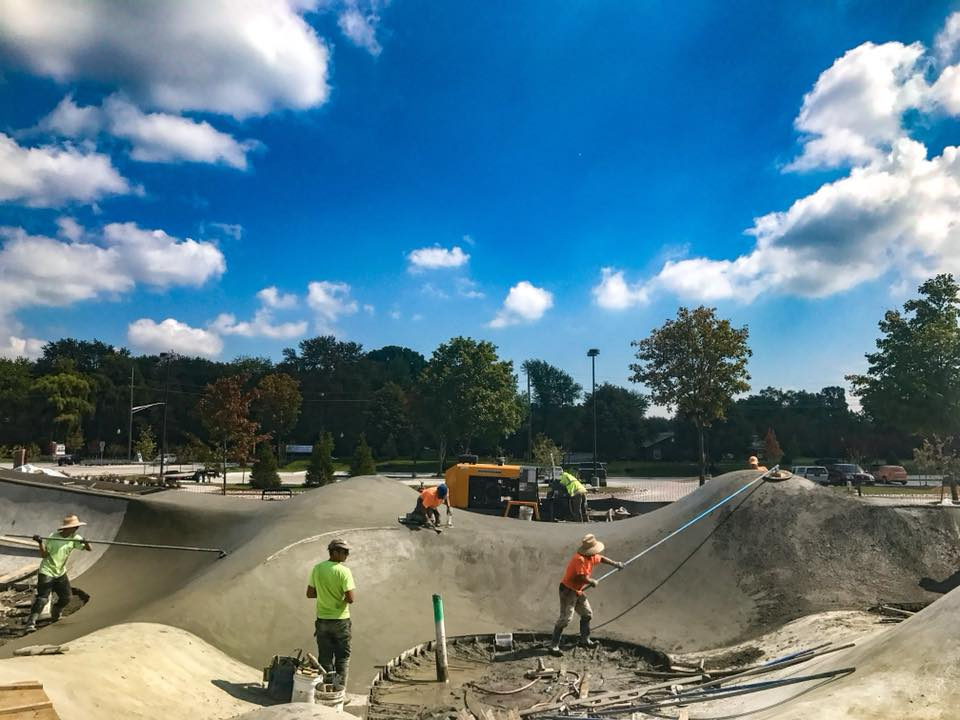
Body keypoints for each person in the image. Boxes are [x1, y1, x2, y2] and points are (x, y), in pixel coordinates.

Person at [549, 534, 623, 656]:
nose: (596, 554)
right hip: (568, 591)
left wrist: (615, 563)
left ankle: (585, 639)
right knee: (565, 619)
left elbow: (602, 559)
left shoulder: (592, 557)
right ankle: (554, 646)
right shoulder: (580, 559)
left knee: (587, 614)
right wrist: (591, 581)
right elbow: (580, 576)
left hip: (578, 591)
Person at [24, 514, 92, 632]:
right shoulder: (53, 537)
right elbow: (44, 555)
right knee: (43, 599)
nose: (77, 529)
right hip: (47, 571)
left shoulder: (75, 537)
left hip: (60, 572)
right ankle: (30, 623)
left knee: (66, 597)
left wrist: (86, 542)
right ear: (67, 528)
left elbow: (89, 548)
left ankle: (55, 614)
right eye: (74, 527)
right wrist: (40, 543)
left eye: (77, 527)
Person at [307, 538, 356, 688]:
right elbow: (351, 598)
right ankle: (339, 690)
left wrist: (323, 594)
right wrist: (338, 599)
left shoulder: (317, 568)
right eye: (344, 552)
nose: (347, 555)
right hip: (341, 621)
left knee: (325, 657)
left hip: (322, 620)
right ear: (334, 552)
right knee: (342, 658)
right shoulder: (344, 571)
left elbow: (310, 593)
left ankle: (327, 688)